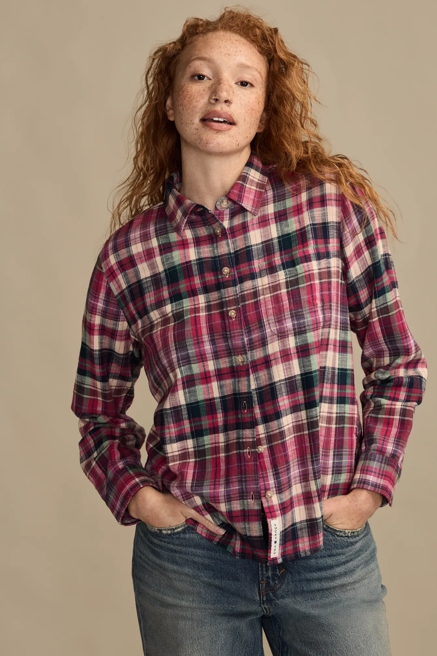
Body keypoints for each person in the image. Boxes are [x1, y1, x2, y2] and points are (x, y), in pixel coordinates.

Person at [71, 7, 427, 656]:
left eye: (243, 82)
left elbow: (398, 363)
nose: (220, 94)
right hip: (190, 564)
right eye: (200, 77)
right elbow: (98, 412)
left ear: (263, 113)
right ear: (170, 105)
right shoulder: (130, 257)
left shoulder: (328, 211)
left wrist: (367, 489)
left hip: (326, 550)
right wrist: (144, 501)